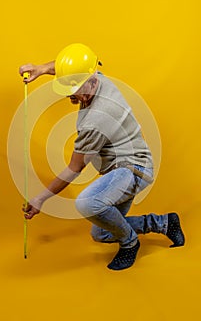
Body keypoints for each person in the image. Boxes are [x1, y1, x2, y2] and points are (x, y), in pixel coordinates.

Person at [19, 43, 185, 270]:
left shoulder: (97, 119)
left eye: (75, 88)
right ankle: (165, 223)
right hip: (122, 167)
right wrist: (41, 69)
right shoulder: (96, 77)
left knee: (87, 203)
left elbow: (74, 168)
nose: (70, 93)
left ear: (91, 80)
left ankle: (130, 244)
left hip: (134, 169)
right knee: (101, 233)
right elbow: (71, 67)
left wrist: (40, 199)